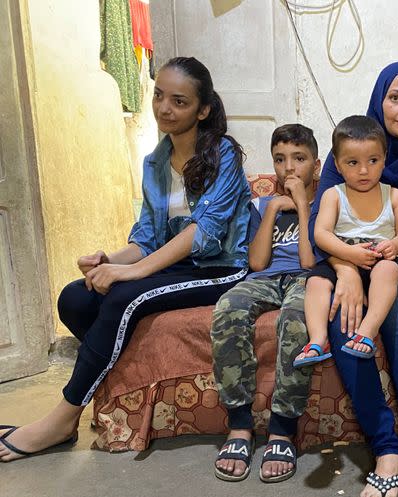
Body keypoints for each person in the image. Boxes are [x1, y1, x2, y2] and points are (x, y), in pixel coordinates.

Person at [0, 57, 250, 461]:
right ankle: (116, 382)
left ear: (203, 110)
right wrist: (109, 259)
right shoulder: (155, 161)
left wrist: (130, 273)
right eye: (159, 96)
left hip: (222, 268)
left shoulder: (223, 156)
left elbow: (203, 233)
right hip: (175, 265)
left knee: (123, 296)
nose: (164, 108)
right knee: (75, 297)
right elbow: (148, 236)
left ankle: (63, 419)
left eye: (179, 101)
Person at [307, 62, 398, 497]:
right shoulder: (344, 152)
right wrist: (345, 270)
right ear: (379, 98)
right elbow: (320, 226)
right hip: (345, 264)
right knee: (344, 325)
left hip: (396, 268)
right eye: (396, 97)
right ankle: (386, 448)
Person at [212, 124, 320, 483]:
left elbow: (309, 263)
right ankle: (240, 425)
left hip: (305, 279)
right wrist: (273, 209)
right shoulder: (260, 204)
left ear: (315, 166)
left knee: (296, 318)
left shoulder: (325, 203)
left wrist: (303, 206)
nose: (289, 168)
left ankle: (282, 429)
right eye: (280, 159)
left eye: (299, 159)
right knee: (229, 307)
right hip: (265, 280)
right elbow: (256, 265)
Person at [296, 116, 398, 365]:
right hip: (343, 257)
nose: (363, 170)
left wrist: (395, 245)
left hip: (380, 258)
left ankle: (367, 332)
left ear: (384, 159)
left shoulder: (394, 196)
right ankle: (317, 340)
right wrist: (350, 256)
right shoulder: (333, 195)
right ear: (337, 165)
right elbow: (321, 234)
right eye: (352, 162)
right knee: (315, 282)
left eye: (373, 161)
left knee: (388, 271)